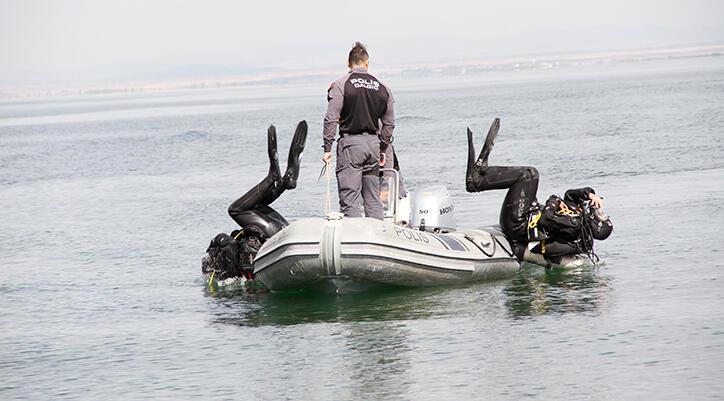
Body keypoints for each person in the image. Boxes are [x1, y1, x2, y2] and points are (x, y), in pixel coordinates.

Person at [465, 118, 613, 262]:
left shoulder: (574, 224)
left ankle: (477, 182)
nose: (599, 212)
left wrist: (555, 200)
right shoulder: (578, 214)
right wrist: (589, 194)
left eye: (601, 216)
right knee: (529, 176)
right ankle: (480, 172)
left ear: (595, 224)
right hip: (526, 213)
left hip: (517, 225)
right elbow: (570, 195)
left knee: (529, 174)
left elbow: (546, 219)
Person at [322, 41, 395, 220]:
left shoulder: (341, 85)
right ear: (367, 63)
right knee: (373, 198)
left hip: (351, 146)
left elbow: (331, 118)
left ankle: (354, 240)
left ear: (348, 63)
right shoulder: (382, 88)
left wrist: (327, 148)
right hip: (373, 146)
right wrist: (383, 148)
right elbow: (389, 124)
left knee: (350, 199)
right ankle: (378, 237)